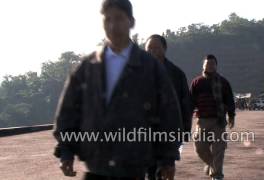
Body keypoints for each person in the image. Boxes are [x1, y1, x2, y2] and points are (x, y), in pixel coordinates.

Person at [53, 0, 182, 179]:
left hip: (133, 166)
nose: (113, 25)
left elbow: (168, 114)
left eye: (119, 18)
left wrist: (167, 159)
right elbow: (68, 112)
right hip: (95, 167)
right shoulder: (88, 67)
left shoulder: (149, 67)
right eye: (107, 19)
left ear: (131, 21)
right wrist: (66, 152)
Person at [145, 34, 193, 180]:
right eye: (149, 49)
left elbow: (186, 104)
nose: (152, 52)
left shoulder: (176, 74)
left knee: (165, 169)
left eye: (156, 48)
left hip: (169, 131)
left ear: (164, 49)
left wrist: (185, 130)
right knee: (149, 171)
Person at [190, 54, 235, 180]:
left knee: (218, 149)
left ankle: (217, 175)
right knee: (200, 147)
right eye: (207, 64)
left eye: (212, 64)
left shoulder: (223, 82)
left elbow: (230, 100)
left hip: (218, 120)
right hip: (202, 120)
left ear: (216, 65)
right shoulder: (197, 82)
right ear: (203, 66)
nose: (210, 66)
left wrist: (231, 116)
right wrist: (186, 116)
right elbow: (190, 102)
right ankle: (212, 166)